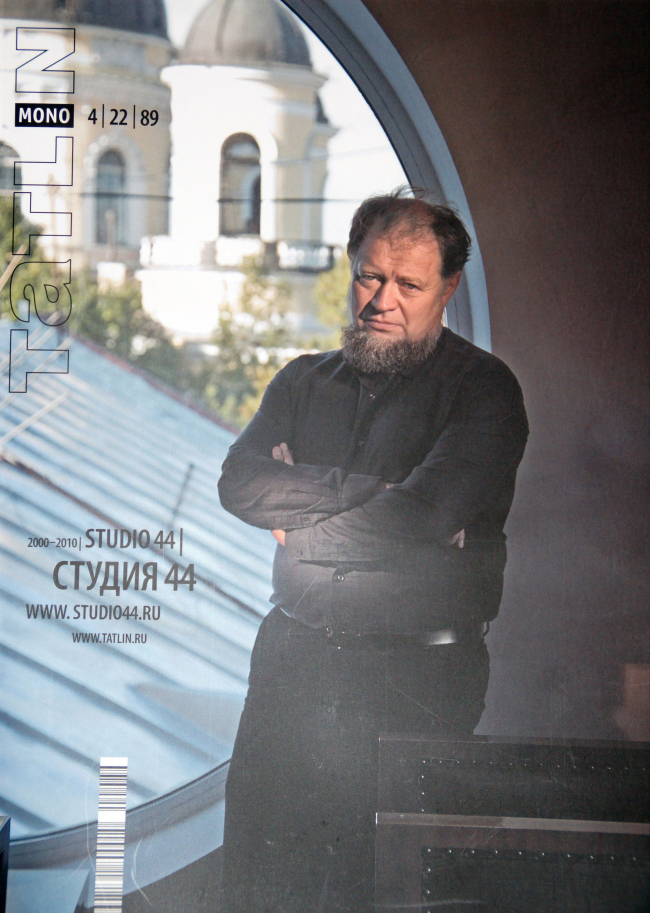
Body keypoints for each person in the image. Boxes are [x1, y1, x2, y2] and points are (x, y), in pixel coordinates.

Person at [217, 190, 529, 912]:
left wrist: (301, 522)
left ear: (448, 289)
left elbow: (421, 515)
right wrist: (375, 491)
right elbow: (239, 483)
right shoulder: (301, 379)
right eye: (369, 276)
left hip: (416, 676)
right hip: (291, 660)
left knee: (374, 891)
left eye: (408, 285)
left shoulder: (485, 390)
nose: (382, 300)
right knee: (259, 886)